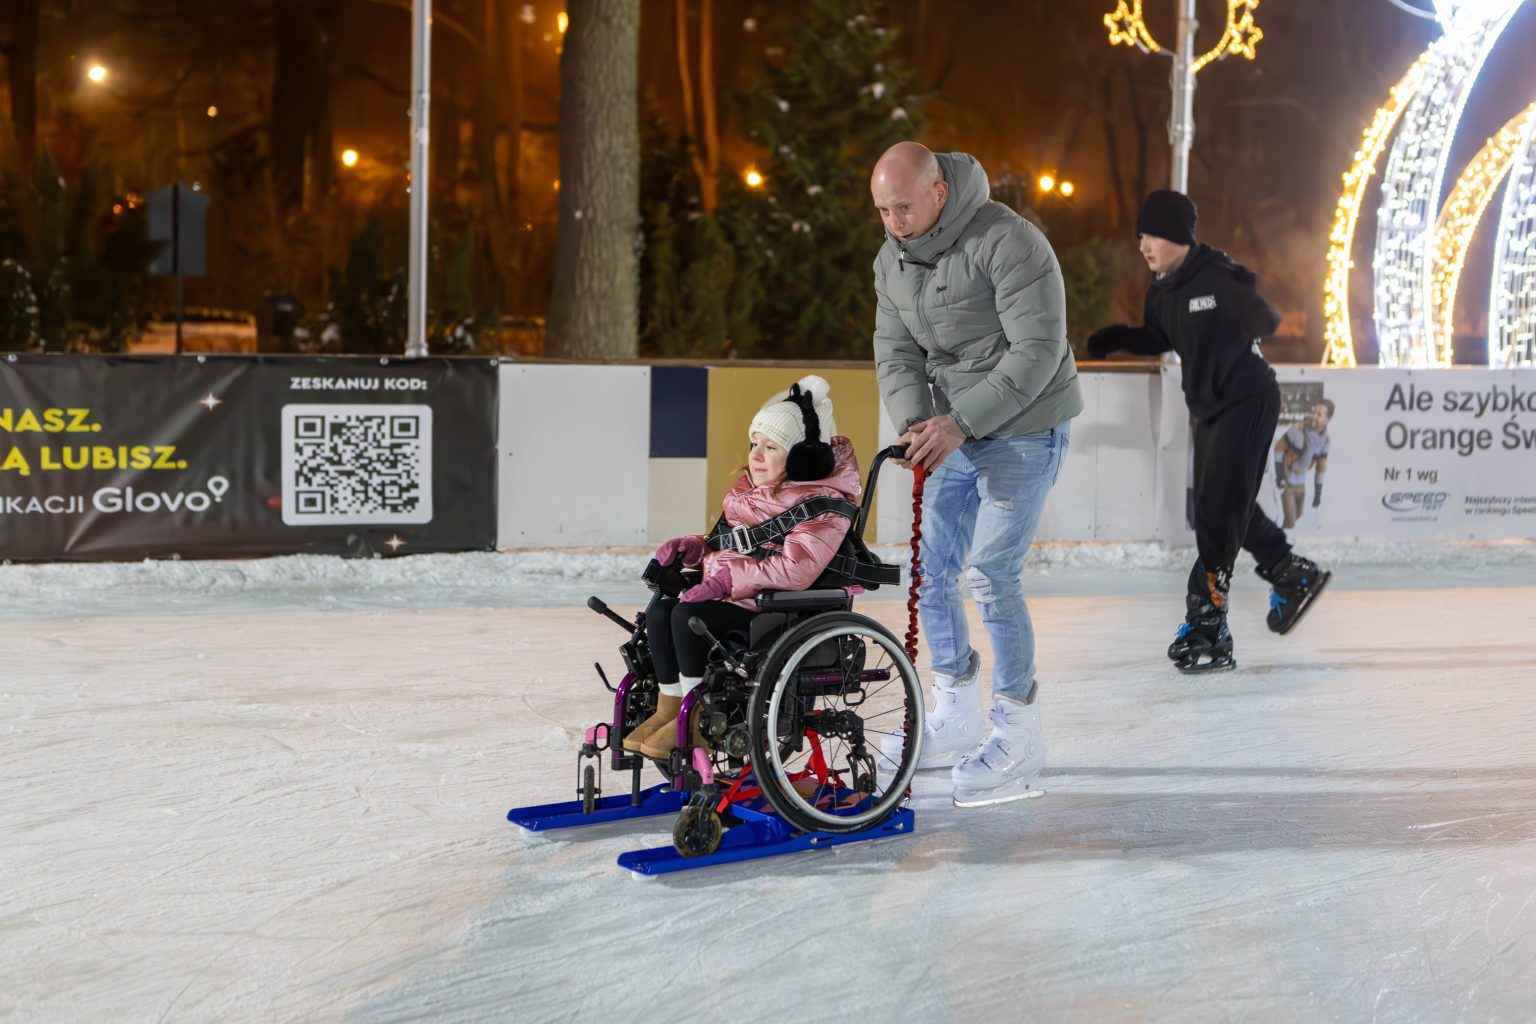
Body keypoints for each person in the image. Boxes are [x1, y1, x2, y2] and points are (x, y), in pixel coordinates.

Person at [869, 141, 1081, 808]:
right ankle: (956, 709)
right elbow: (894, 351)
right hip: (953, 427)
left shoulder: (1010, 242)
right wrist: (916, 422)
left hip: (1026, 425)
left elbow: (1038, 350)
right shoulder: (892, 260)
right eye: (882, 210)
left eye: (903, 207)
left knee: (991, 573)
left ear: (939, 192)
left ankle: (1018, 732)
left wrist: (960, 422)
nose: (893, 223)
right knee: (929, 570)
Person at [1088, 190, 1331, 671]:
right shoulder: (1162, 290)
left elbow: (1267, 320)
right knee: (1222, 504)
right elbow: (1159, 336)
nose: (1143, 246)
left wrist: (1243, 300)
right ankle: (1290, 573)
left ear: (1178, 235)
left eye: (1153, 236)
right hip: (1210, 408)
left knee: (1219, 510)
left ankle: (1208, 624)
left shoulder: (1216, 276)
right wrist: (1119, 337)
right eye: (1140, 237)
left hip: (1248, 399)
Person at [623, 375, 861, 760]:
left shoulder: (823, 505)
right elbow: (727, 543)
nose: (757, 455)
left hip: (775, 610)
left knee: (686, 616)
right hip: (741, 598)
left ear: (802, 457)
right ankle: (669, 709)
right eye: (754, 444)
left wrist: (727, 581)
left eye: (771, 447)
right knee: (661, 612)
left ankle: (697, 718)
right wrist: (695, 549)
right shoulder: (748, 494)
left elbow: (796, 569)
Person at [1274, 399, 1333, 529]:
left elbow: (1321, 467)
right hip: (1287, 480)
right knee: (1290, 521)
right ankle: (1276, 539)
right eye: (1314, 412)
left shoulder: (1325, 440)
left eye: (1319, 414)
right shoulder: (1298, 429)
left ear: (1328, 419)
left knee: (1298, 516)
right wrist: (1280, 475)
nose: (1314, 416)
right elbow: (1278, 448)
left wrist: (1318, 492)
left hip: (1301, 483)